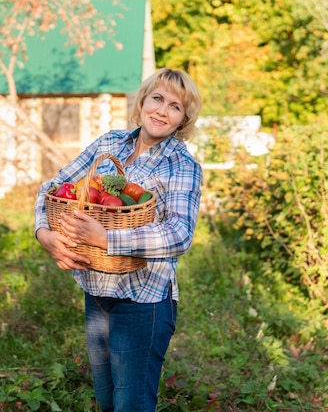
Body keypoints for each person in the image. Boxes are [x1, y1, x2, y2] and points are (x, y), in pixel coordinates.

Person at [34, 67, 203, 411]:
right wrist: (44, 233)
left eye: (175, 106)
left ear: (183, 119)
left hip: (144, 301)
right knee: (108, 401)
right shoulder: (109, 143)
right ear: (142, 101)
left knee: (132, 404)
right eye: (157, 98)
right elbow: (51, 187)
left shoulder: (181, 164)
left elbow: (179, 234)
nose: (162, 110)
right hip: (96, 294)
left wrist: (106, 239)